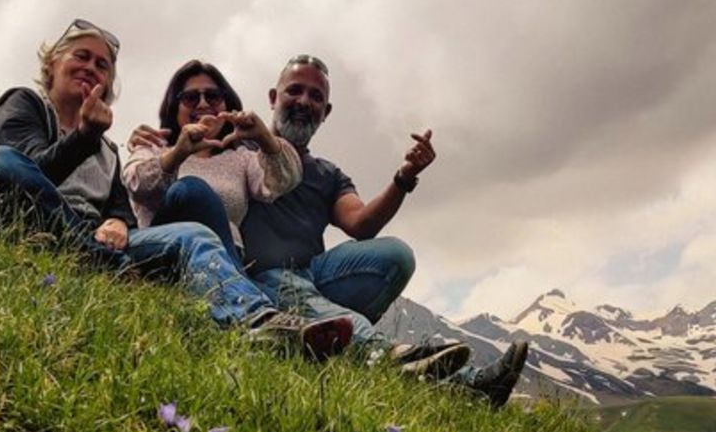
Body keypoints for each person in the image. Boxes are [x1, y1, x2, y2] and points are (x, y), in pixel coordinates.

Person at [136, 53, 528, 405]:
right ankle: (447, 375)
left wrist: (404, 177)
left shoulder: (324, 173)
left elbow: (361, 224)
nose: (304, 102)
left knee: (394, 256)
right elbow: (173, 172)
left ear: (327, 110)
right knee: (308, 297)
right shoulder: (238, 150)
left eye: (315, 96)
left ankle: (330, 335)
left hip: (312, 274)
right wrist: (163, 142)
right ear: (273, 97)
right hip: (260, 275)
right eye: (295, 91)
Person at [0, 19, 352, 359]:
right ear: (52, 64)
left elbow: (120, 207)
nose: (91, 67)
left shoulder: (107, 149)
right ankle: (104, 264)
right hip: (38, 231)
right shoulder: (27, 104)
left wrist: (117, 223)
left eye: (101, 65)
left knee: (194, 234)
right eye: (81, 57)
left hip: (97, 246)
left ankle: (261, 322)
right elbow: (26, 174)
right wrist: (88, 136)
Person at [123, 59, 301, 269]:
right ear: (174, 106)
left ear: (227, 104)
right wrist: (177, 154)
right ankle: (244, 296)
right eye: (190, 98)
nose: (203, 104)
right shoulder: (152, 147)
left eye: (213, 97)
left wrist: (265, 138)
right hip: (164, 254)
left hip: (226, 256)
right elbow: (136, 185)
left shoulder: (240, 158)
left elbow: (283, 181)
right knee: (192, 190)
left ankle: (236, 291)